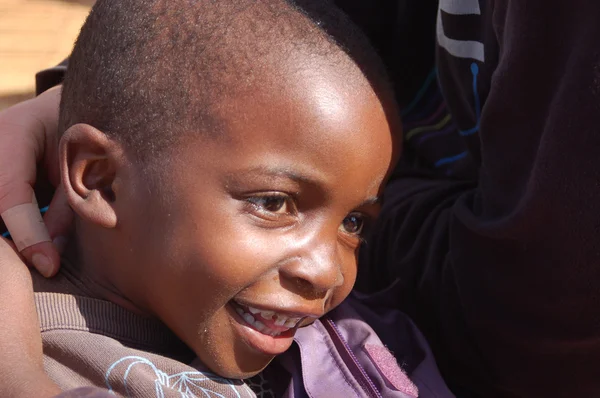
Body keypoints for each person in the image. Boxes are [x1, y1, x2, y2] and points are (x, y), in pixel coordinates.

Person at [0, 0, 456, 397]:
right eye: (275, 203)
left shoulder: (369, 340)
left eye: (354, 223)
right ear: (101, 180)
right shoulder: (36, 357)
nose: (327, 273)